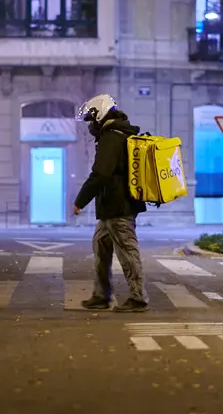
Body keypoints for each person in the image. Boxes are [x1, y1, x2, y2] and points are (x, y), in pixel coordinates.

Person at [73, 94, 149, 313]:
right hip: (111, 207)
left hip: (119, 207)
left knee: (127, 252)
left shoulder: (112, 137)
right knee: (100, 246)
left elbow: (101, 174)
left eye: (91, 119)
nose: (90, 125)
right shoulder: (118, 134)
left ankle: (138, 298)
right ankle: (101, 295)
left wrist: (80, 201)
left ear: (100, 115)